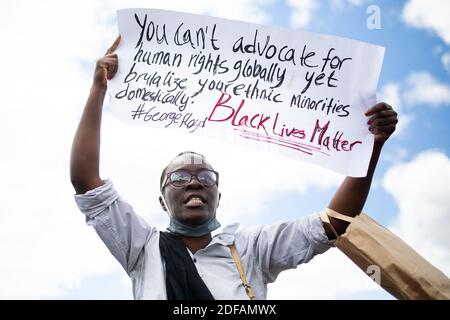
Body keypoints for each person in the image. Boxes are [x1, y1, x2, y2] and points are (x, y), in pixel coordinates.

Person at [70, 36, 398, 300]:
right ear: (161, 201)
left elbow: (332, 225)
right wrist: (98, 88)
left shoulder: (251, 248)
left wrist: (371, 147)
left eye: (205, 177)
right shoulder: (142, 248)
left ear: (218, 194)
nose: (194, 183)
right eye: (180, 177)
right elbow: (87, 183)